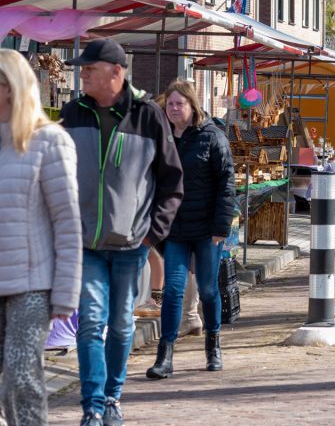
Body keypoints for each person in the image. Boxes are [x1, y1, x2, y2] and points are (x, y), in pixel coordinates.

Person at [61, 39, 183, 425]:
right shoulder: (73, 113)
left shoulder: (149, 116)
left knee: (121, 324)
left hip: (132, 243)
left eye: (89, 68)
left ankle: (113, 396)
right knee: (91, 323)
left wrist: (152, 234)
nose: (82, 74)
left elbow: (171, 182)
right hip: (86, 243)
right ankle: (93, 406)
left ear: (116, 72)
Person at [0, 50, 81, 425]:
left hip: (32, 284)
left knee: (20, 381)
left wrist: (66, 294)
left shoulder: (50, 142)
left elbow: (67, 222)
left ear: (12, 88)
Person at [146, 80, 235, 380]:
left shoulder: (212, 136)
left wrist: (222, 225)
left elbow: (226, 181)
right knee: (172, 290)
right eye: (169, 104)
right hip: (174, 230)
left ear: (191, 105)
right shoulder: (162, 137)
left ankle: (213, 345)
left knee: (209, 290)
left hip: (207, 229)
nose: (173, 108)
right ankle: (165, 354)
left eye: (179, 104)